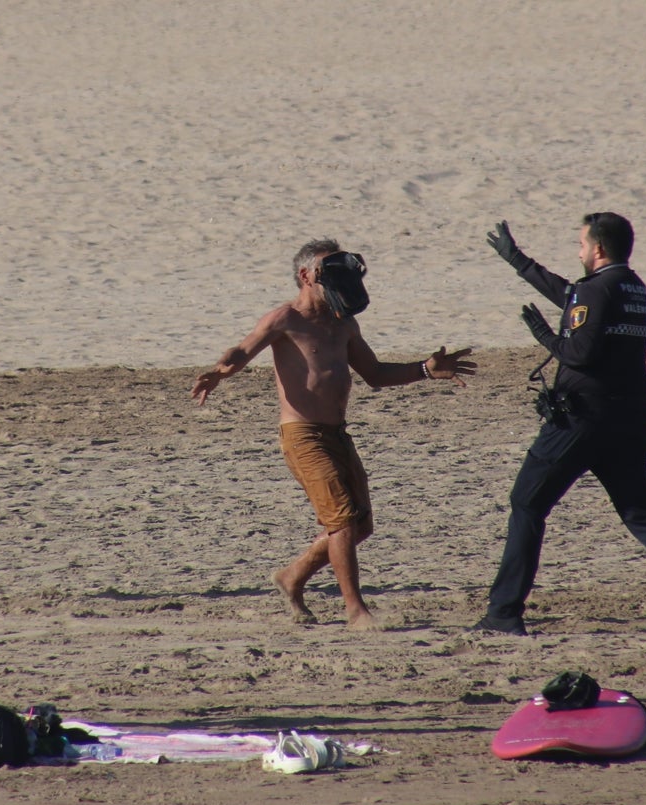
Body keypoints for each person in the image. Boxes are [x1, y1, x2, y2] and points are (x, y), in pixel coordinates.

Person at [473, 213, 646, 636]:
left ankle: (503, 614)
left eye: (580, 244)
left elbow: (579, 353)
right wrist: (518, 261)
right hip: (631, 420)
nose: (578, 251)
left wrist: (544, 335)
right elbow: (573, 297)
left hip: (583, 420)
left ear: (597, 248)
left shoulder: (597, 289)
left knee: (527, 503)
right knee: (642, 516)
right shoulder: (633, 287)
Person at [193, 240, 476, 630]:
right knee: (342, 522)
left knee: (360, 526)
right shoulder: (284, 319)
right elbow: (242, 351)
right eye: (331, 270)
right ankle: (355, 610)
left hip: (337, 433)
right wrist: (219, 372)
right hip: (302, 433)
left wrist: (425, 368)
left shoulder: (344, 324)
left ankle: (292, 577)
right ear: (305, 276)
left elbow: (375, 375)